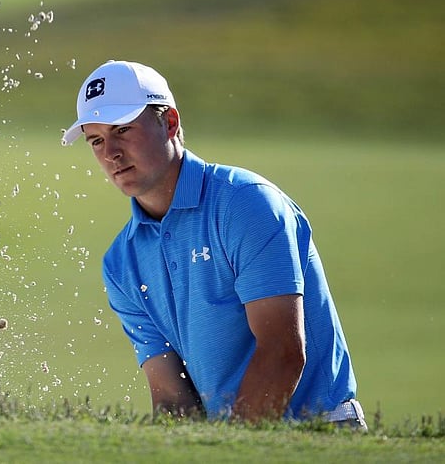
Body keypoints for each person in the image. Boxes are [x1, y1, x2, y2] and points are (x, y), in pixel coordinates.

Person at [61, 60, 366, 428]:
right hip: (231, 442)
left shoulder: (245, 203)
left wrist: (226, 450)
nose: (111, 152)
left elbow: (282, 352)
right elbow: (174, 398)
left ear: (169, 123)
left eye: (123, 130)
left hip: (318, 435)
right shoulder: (121, 262)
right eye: (96, 140)